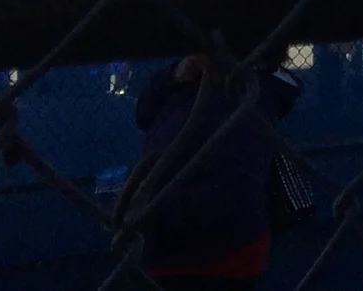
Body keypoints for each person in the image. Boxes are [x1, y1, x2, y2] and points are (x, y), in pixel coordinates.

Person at [122, 53, 302, 288]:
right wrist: (177, 74)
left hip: (208, 248)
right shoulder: (197, 81)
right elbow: (144, 112)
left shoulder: (252, 89)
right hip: (185, 243)